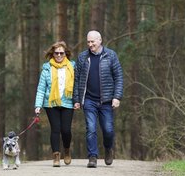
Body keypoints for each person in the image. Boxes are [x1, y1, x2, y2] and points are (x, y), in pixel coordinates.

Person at [73, 30, 123, 168]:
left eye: (92, 41)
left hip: (106, 100)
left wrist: (117, 97)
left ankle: (108, 148)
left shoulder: (111, 55)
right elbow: (76, 80)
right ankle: (92, 157)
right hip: (88, 100)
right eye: (88, 42)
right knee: (91, 128)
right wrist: (77, 99)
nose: (90, 44)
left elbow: (118, 77)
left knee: (108, 130)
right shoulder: (83, 57)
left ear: (100, 40)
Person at [35, 41, 76, 167]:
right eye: (56, 53)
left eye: (61, 53)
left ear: (66, 54)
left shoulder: (72, 67)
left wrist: (78, 101)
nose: (58, 55)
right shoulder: (47, 68)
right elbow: (41, 88)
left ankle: (67, 150)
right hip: (50, 103)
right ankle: (56, 156)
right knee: (55, 129)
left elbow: (77, 86)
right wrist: (38, 105)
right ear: (52, 54)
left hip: (68, 102)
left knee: (66, 130)